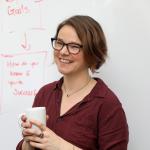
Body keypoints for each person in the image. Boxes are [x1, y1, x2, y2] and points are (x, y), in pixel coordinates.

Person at [16, 15, 129, 150]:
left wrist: (59, 146)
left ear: (92, 52)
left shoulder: (107, 105)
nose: (63, 51)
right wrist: (29, 142)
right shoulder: (45, 93)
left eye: (74, 46)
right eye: (59, 43)